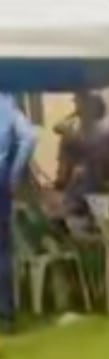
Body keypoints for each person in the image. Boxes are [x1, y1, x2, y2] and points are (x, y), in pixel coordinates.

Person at [0, 93, 37, 333]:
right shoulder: (6, 103)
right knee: (2, 250)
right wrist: (13, 175)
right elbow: (29, 137)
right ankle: (5, 314)